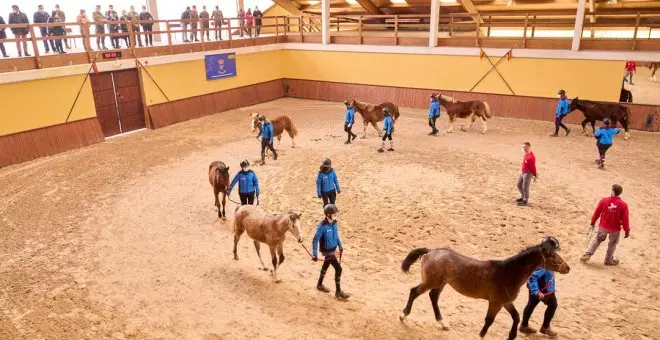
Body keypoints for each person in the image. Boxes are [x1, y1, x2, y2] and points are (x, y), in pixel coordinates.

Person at [581, 184, 630, 266]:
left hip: (603, 226)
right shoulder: (623, 205)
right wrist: (627, 230)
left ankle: (588, 254)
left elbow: (597, 213)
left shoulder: (604, 200)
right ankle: (608, 259)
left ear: (613, 191)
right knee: (612, 244)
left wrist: (593, 222)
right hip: (615, 229)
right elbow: (625, 219)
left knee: (597, 240)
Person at [312, 204, 350, 300]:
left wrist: (340, 245)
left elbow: (336, 235)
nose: (335, 215)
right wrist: (314, 254)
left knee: (326, 264)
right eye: (333, 214)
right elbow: (315, 240)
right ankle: (338, 292)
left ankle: (319, 284)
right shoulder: (322, 226)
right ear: (328, 214)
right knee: (339, 269)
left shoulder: (334, 223)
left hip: (333, 249)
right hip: (327, 251)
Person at [519, 266, 559, 337]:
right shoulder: (544, 262)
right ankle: (545, 327)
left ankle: (524, 326)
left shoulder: (540, 258)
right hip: (543, 288)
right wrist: (536, 291)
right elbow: (533, 277)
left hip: (537, 287)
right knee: (553, 305)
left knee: (531, 304)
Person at [517, 142, 537, 206]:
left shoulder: (531, 157)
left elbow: (533, 167)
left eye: (525, 147)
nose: (524, 148)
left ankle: (525, 200)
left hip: (528, 173)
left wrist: (535, 174)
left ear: (529, 147)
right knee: (519, 184)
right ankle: (523, 196)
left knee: (525, 187)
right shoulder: (526, 154)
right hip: (523, 172)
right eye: (523, 147)